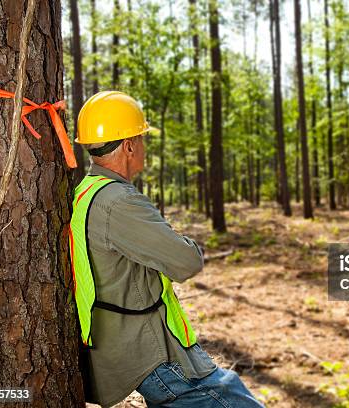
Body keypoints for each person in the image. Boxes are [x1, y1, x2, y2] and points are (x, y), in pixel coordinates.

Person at [69, 91, 263, 408]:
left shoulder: (88, 192)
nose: (144, 146)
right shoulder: (118, 202)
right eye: (141, 138)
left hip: (133, 344)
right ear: (129, 146)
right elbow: (186, 261)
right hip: (154, 354)